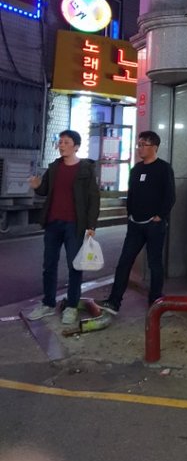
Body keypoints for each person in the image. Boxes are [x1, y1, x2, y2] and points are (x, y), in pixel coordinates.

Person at [25, 130, 100, 326]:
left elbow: (93, 198)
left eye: (66, 142)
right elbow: (44, 190)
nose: (62, 145)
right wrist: (36, 185)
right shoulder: (54, 167)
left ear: (76, 146)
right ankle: (48, 304)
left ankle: (72, 306)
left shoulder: (85, 169)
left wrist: (91, 225)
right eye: (60, 142)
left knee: (75, 265)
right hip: (53, 223)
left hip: (74, 225)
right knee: (49, 265)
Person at [98, 131, 175, 314]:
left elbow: (170, 195)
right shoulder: (136, 169)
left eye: (143, 145)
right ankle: (114, 301)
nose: (140, 148)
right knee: (124, 262)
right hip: (135, 224)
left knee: (154, 263)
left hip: (154, 224)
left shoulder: (163, 168)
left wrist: (160, 216)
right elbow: (131, 194)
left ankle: (155, 301)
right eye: (138, 144)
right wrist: (130, 214)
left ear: (154, 147)